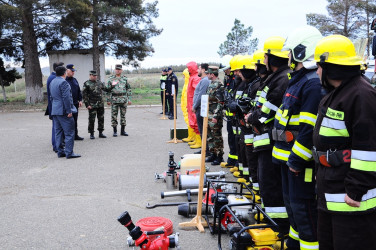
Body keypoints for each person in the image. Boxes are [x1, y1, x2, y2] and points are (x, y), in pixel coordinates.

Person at [313, 34, 376, 250]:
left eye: (320, 66)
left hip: (352, 201)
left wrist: (355, 189)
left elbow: (369, 150)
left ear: (331, 66)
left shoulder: (361, 95)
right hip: (331, 191)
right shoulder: (338, 94)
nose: (317, 71)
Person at [272, 26, 322, 250]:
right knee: (293, 208)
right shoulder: (299, 80)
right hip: (288, 159)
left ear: (301, 52)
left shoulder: (311, 83)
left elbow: (308, 129)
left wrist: (296, 160)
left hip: (299, 164)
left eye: (291, 52)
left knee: (304, 211)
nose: (288, 57)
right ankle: (294, 244)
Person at [246, 36, 291, 234]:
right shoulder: (275, 77)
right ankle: (271, 220)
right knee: (267, 184)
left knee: (271, 186)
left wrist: (251, 118)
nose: (263, 61)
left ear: (272, 57)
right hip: (266, 140)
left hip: (270, 141)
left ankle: (278, 227)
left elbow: (267, 113)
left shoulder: (281, 79)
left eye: (265, 56)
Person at [50, 66, 81, 159]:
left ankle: (60, 152)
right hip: (63, 110)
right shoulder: (64, 82)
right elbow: (66, 98)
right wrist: (69, 111)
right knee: (69, 132)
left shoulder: (53, 81)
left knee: (58, 132)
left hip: (55, 110)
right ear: (64, 73)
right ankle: (69, 152)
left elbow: (51, 97)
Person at [206, 66, 225, 165]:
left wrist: (216, 116)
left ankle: (219, 156)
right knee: (210, 136)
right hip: (208, 114)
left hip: (214, 115)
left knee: (217, 136)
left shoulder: (219, 85)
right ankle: (213, 153)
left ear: (212, 74)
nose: (207, 75)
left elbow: (220, 102)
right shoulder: (211, 84)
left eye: (208, 73)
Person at [106, 64, 132, 137]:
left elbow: (128, 89)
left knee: (123, 116)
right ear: (115, 70)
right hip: (114, 100)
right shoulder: (111, 79)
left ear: (121, 70)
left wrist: (129, 99)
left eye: (119, 69)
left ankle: (123, 131)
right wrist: (108, 100)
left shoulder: (125, 79)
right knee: (114, 116)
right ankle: (115, 131)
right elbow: (108, 90)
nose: (118, 70)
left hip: (123, 99)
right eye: (116, 69)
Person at [82, 70, 109, 139]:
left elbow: (106, 89)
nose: (95, 77)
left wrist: (112, 85)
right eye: (93, 76)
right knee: (92, 119)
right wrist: (87, 104)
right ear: (90, 75)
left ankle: (101, 132)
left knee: (101, 118)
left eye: (96, 75)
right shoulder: (87, 84)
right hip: (92, 105)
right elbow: (84, 95)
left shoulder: (99, 83)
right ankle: (91, 133)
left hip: (100, 104)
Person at [46, 62, 64, 152]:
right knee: (56, 128)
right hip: (56, 107)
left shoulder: (51, 77)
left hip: (54, 106)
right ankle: (56, 146)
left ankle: (57, 145)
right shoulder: (54, 78)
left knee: (56, 127)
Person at [192, 63, 210, 150]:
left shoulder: (205, 81)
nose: (197, 71)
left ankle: (205, 150)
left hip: (200, 109)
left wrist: (194, 106)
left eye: (199, 69)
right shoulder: (203, 80)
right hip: (199, 108)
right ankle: (204, 149)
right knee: (201, 130)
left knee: (203, 130)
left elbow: (201, 95)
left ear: (203, 70)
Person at [65, 64, 83, 141]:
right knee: (68, 121)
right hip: (68, 104)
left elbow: (79, 91)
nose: (73, 72)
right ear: (67, 71)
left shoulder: (75, 80)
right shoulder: (64, 81)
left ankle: (75, 135)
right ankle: (67, 137)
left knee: (75, 121)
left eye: (74, 71)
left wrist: (80, 100)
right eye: (71, 71)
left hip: (75, 104)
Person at [186, 61, 201, 148]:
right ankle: (196, 139)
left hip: (193, 103)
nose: (188, 70)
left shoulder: (195, 78)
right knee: (192, 121)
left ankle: (199, 141)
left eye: (189, 68)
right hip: (190, 102)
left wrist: (194, 104)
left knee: (195, 121)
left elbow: (197, 91)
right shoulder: (192, 77)